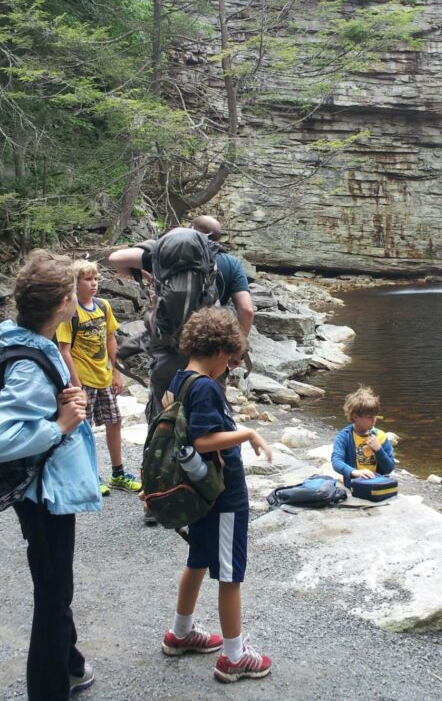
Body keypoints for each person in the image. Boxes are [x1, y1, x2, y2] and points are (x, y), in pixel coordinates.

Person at [0, 251, 101, 700]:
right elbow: (5, 435)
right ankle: (48, 688)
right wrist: (59, 425)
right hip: (46, 494)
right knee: (53, 590)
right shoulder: (27, 363)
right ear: (63, 303)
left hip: (39, 490)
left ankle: (72, 664)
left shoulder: (19, 339)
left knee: (54, 580)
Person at [160, 307, 272, 683]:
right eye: (232, 360)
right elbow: (203, 439)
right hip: (223, 496)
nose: (230, 368)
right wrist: (247, 434)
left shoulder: (181, 378)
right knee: (230, 574)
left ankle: (180, 632)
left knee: (198, 559)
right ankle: (233, 657)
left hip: (199, 492)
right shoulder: (206, 386)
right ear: (221, 353)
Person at [107, 219, 254, 420]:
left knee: (164, 416)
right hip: (211, 353)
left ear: (190, 232)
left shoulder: (167, 256)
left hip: (168, 348)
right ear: (218, 238)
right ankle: (206, 448)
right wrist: (237, 351)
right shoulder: (231, 263)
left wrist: (149, 271)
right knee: (209, 414)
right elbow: (246, 310)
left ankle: (161, 448)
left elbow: (116, 258)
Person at [56, 260, 141, 496]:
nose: (93, 284)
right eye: (87, 280)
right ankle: (91, 475)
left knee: (115, 422)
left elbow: (110, 339)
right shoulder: (70, 311)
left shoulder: (103, 306)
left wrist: (116, 372)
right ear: (75, 283)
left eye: (95, 279)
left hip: (104, 376)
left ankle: (118, 472)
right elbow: (64, 349)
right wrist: (76, 385)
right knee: (85, 427)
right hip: (82, 380)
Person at [331, 385, 395, 489]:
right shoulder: (344, 436)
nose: (374, 420)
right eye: (369, 417)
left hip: (377, 485)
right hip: (355, 486)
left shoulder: (380, 436)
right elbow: (336, 461)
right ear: (355, 417)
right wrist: (354, 472)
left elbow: (389, 469)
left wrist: (378, 449)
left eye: (375, 416)